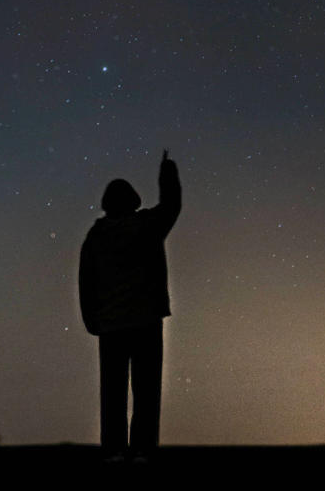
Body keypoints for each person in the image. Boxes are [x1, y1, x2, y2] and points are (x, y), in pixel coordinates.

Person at [79, 149, 182, 462]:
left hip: (110, 325)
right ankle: (142, 450)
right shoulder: (148, 225)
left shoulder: (95, 236)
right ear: (134, 200)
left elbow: (86, 282)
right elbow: (172, 205)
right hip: (146, 320)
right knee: (146, 391)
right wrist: (168, 171)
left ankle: (113, 450)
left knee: (113, 393)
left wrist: (91, 321)